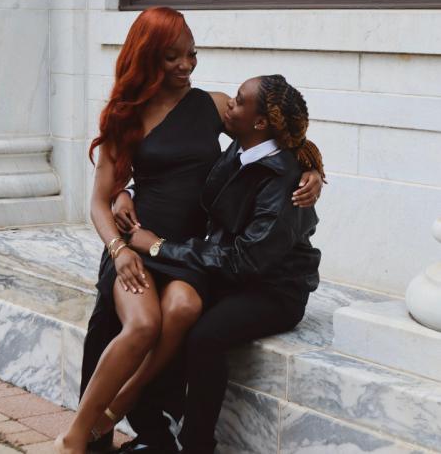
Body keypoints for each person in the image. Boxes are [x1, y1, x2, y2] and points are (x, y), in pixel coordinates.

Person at [56, 7, 323, 454]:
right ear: (147, 57)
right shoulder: (125, 116)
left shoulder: (211, 105)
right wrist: (120, 241)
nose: (186, 65)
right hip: (137, 244)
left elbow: (274, 132)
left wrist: (312, 168)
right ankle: (78, 436)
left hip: (190, 251)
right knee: (142, 324)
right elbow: (99, 200)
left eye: (192, 54)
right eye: (172, 57)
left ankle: (134, 412)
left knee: (183, 311)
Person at [130, 74, 322, 454]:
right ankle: (154, 433)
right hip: (229, 273)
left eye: (238, 99)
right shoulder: (241, 148)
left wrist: (159, 248)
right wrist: (127, 191)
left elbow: (244, 261)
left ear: (260, 122)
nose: (229, 104)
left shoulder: (285, 182)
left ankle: (197, 446)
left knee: (205, 335)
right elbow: (181, 179)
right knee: (167, 311)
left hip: (274, 290)